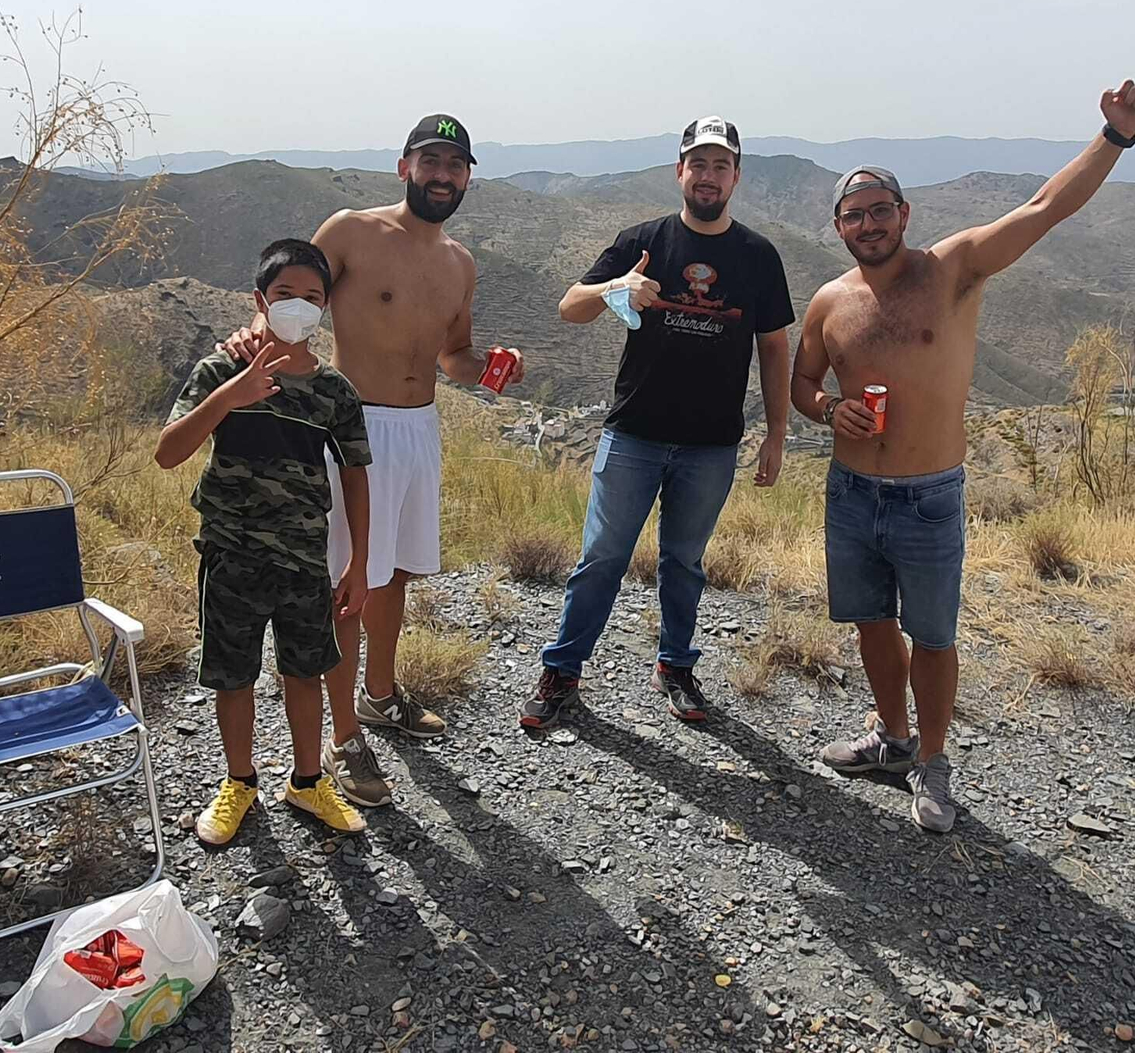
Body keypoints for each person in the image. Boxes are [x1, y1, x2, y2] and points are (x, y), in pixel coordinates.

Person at [791, 80, 1135, 833]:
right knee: (869, 623)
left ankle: (932, 760)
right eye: (853, 215)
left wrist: (1113, 137)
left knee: (933, 634)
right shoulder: (830, 301)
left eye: (880, 210)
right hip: (853, 491)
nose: (869, 224)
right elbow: (801, 382)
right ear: (838, 227)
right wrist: (830, 409)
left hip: (929, 492)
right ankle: (889, 740)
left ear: (904, 214)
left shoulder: (951, 269)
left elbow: (1042, 209)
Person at [223, 115, 523, 808]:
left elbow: (454, 356)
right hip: (351, 426)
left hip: (420, 430)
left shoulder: (460, 263)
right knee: (348, 585)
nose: (443, 175)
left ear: (468, 176)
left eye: (456, 165)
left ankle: (381, 695)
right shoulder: (352, 231)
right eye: (431, 161)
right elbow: (289, 297)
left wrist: (494, 369)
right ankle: (344, 735)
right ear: (404, 166)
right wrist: (252, 336)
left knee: (396, 577)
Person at [520, 116, 795, 729]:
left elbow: (774, 348)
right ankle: (563, 670)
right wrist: (619, 285)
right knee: (601, 557)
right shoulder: (643, 239)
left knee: (685, 562)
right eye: (698, 163)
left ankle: (675, 667)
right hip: (634, 433)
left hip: (712, 443)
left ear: (736, 177)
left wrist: (775, 435)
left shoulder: (757, 256)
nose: (708, 175)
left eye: (720, 165)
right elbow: (570, 308)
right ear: (679, 172)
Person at [156, 238, 374, 844]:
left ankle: (307, 783)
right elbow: (169, 452)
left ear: (326, 307)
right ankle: (239, 782)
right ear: (260, 300)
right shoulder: (221, 370)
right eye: (285, 296)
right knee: (234, 674)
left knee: (306, 672)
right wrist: (234, 396)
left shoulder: (335, 392)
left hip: (305, 556)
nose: (298, 307)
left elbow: (356, 475)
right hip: (230, 553)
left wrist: (358, 562)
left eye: (311, 297)